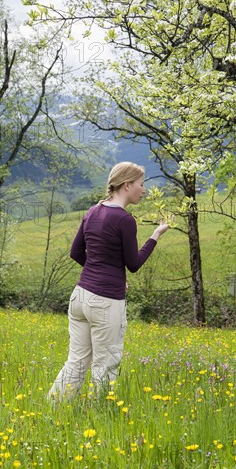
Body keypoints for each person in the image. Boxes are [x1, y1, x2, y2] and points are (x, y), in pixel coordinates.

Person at [48, 162, 169, 402]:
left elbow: (76, 253)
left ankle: (52, 409)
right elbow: (133, 264)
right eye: (141, 185)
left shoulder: (93, 211)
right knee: (105, 365)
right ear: (127, 185)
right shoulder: (125, 219)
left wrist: (101, 271)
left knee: (77, 361)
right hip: (105, 302)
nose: (143, 190)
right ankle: (99, 417)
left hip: (80, 296)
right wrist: (155, 236)